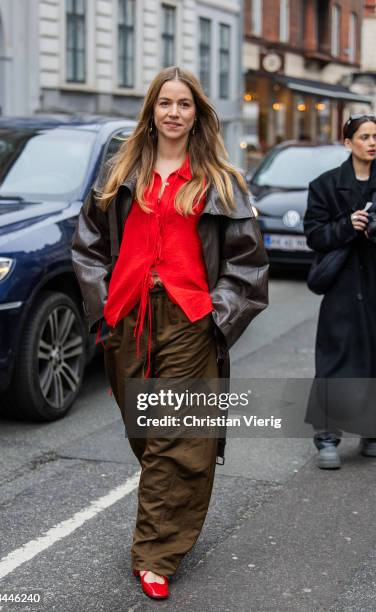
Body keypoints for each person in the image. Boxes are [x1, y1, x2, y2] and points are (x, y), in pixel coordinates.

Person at [71, 66, 268, 599]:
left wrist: (215, 316)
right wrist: (103, 312)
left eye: (184, 104)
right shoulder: (121, 170)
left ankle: (155, 554)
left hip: (189, 318)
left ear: (198, 113)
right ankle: (171, 515)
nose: (174, 112)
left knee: (176, 439)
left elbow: (248, 265)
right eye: (165, 103)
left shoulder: (221, 180)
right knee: (147, 436)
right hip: (127, 318)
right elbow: (87, 246)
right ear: (152, 111)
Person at [304, 113, 376, 469]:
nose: (372, 142)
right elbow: (315, 235)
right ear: (348, 143)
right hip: (343, 290)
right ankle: (327, 437)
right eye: (364, 136)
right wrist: (347, 226)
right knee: (335, 361)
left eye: (375, 136)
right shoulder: (325, 185)